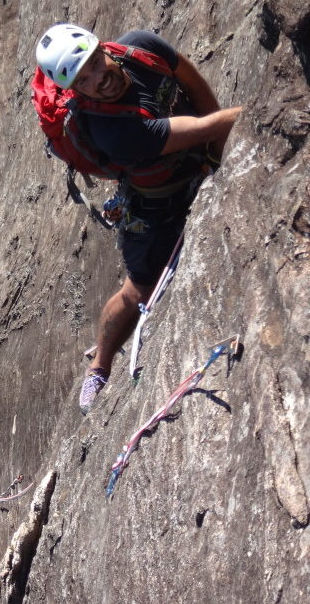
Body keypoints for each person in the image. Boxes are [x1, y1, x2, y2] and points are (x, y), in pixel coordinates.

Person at [35, 23, 242, 414]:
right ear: (74, 91)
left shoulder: (141, 48)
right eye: (85, 80)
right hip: (156, 204)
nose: (100, 79)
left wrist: (216, 152)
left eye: (96, 62)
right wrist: (231, 129)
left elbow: (193, 84)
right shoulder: (113, 130)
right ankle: (100, 366)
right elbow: (198, 129)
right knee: (138, 292)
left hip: (195, 161)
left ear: (102, 48)